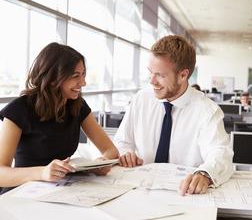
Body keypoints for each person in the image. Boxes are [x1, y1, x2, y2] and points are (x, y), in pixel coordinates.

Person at [114, 35, 233, 195]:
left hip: (184, 193)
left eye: (160, 75)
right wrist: (125, 153)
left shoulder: (207, 110)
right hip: (140, 189)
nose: (152, 81)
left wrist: (204, 173)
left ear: (183, 75)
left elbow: (219, 152)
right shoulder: (141, 99)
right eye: (150, 73)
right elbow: (123, 140)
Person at [0, 43, 119, 193]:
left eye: (83, 75)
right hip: (22, 192)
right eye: (76, 76)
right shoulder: (18, 110)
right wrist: (42, 172)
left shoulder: (77, 105)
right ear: (52, 78)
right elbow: (1, 173)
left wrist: (100, 164)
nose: (83, 83)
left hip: (60, 190)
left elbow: (110, 150)